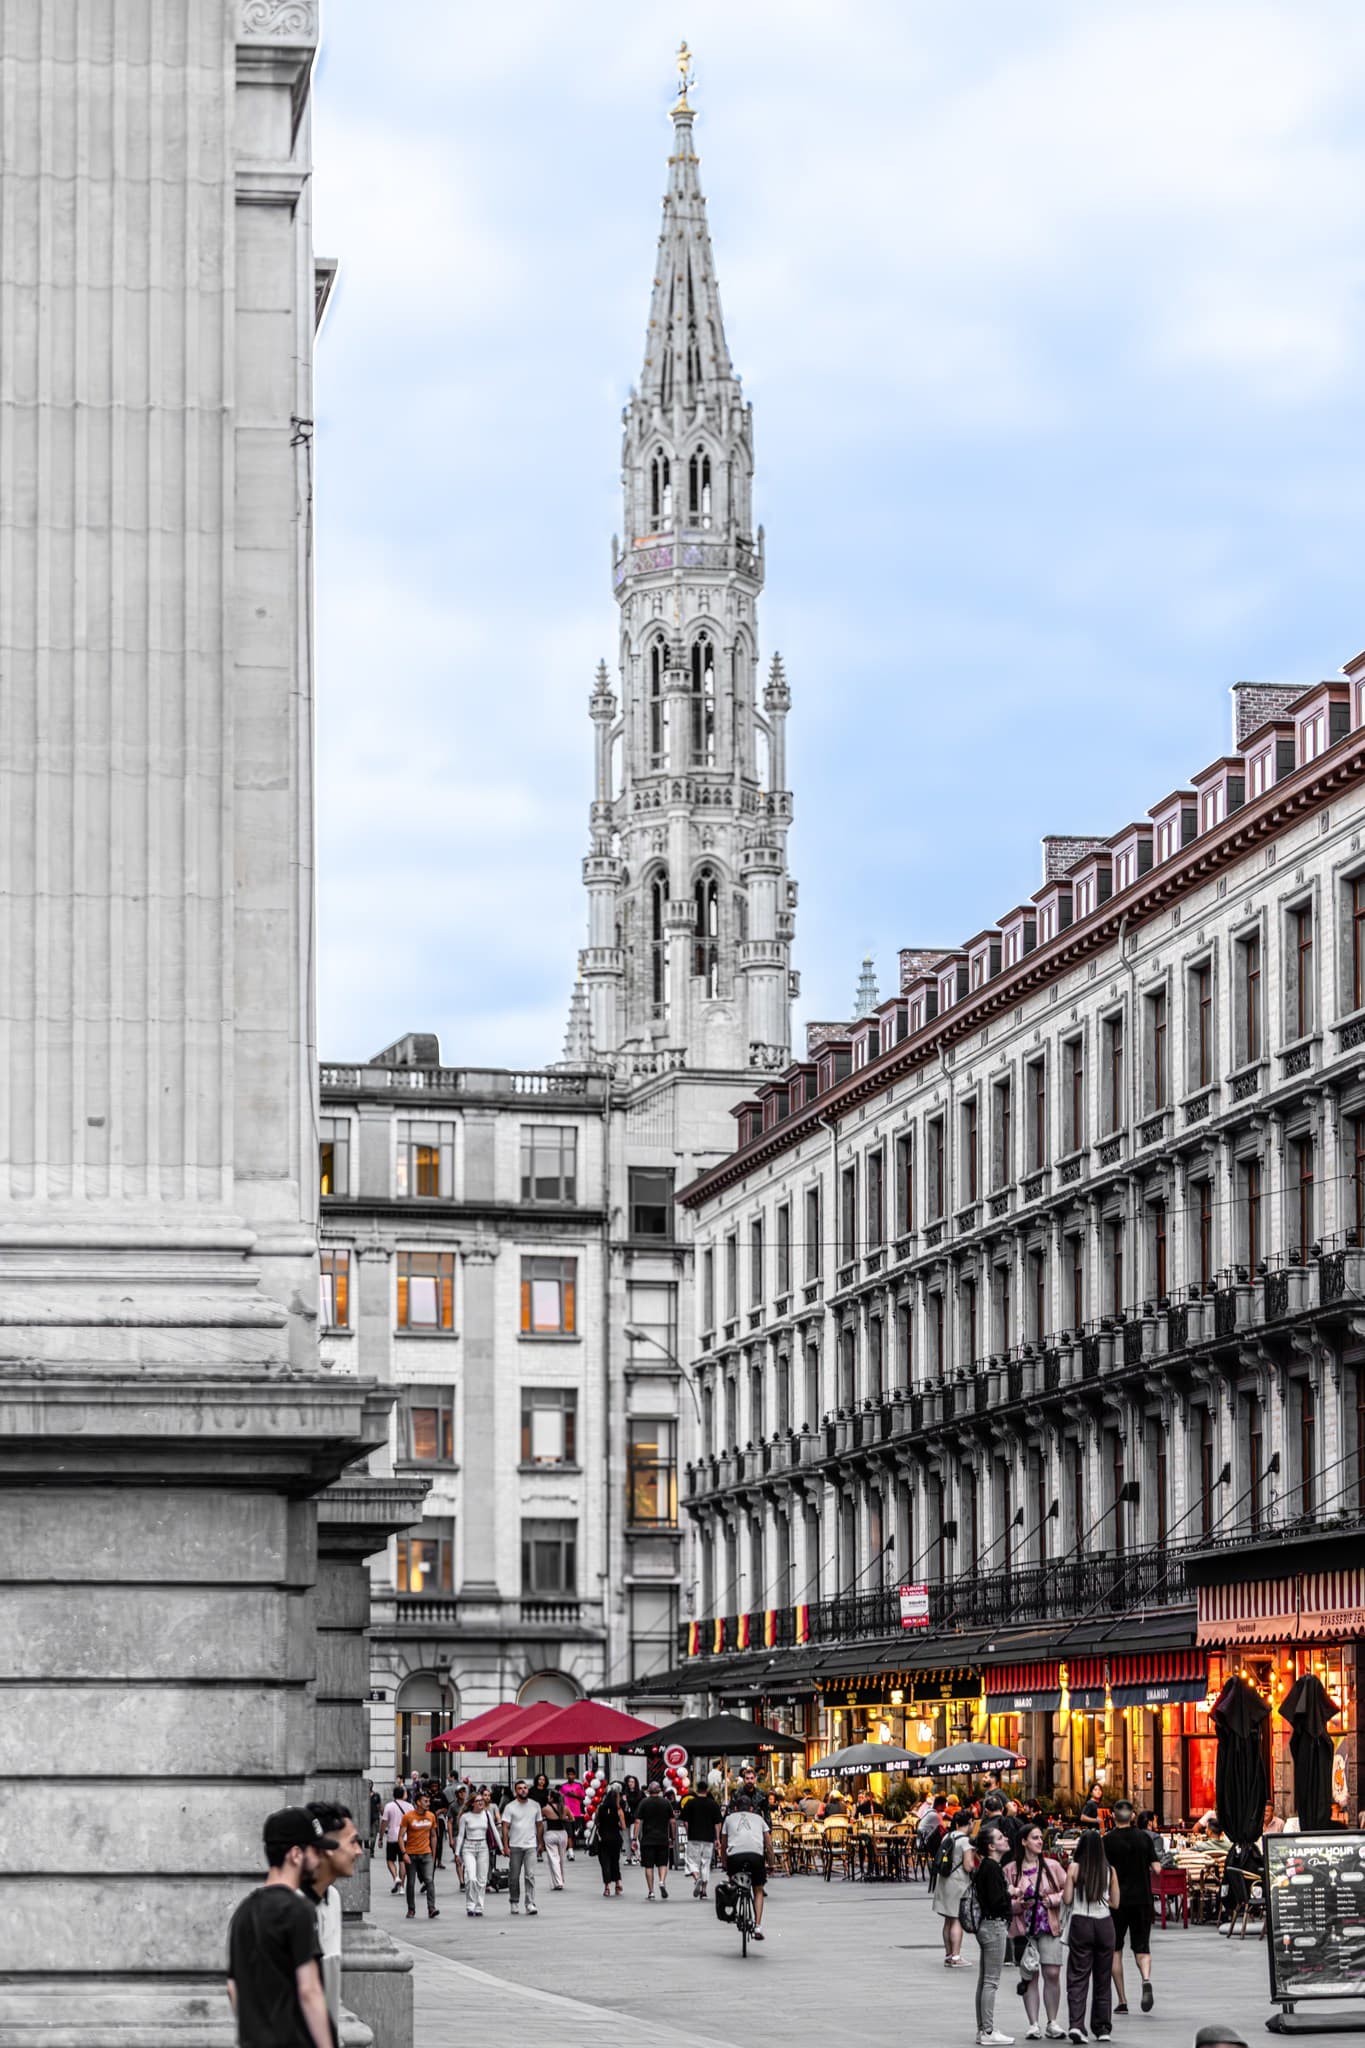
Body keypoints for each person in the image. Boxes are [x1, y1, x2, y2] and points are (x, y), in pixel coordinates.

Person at [226, 1806, 332, 2048]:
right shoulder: (299, 1910)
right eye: (315, 1850)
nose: (320, 1859)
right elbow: (309, 1990)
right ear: (296, 1854)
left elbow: (233, 1988)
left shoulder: (244, 1911)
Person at [305, 1801, 363, 2042]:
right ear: (328, 1847)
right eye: (352, 1841)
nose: (359, 1851)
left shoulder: (333, 1899)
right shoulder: (288, 1908)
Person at [1007, 1821, 1067, 2041]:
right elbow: (1004, 1903)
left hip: (1050, 1927)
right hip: (1025, 1932)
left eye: (1041, 1837)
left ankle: (1052, 2021)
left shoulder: (1052, 1867)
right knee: (1030, 1975)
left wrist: (1052, 1899)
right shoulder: (1011, 1870)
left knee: (1052, 1973)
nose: (1040, 1841)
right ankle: (1033, 2023)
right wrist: (1018, 1905)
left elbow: (1068, 1890)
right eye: (1034, 1837)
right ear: (1023, 1842)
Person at [1063, 1826, 1119, 2044]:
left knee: (1078, 1976)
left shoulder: (1074, 1868)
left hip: (1081, 1922)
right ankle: (1103, 2027)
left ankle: (1077, 2025)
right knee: (1103, 1978)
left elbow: (1067, 1899)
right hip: (1104, 1924)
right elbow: (1115, 1902)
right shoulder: (1110, 1870)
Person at [1103, 1800, 1159, 2015]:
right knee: (1142, 1947)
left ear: (1114, 1816)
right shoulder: (1144, 1838)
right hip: (1142, 1899)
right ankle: (1145, 1979)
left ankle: (1122, 2000)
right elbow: (1157, 1868)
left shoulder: (1107, 1841)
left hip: (1116, 1902)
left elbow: (1102, 1870)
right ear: (1133, 1815)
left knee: (1115, 1949)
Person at [966, 1820, 1015, 2047]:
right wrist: (1010, 1895)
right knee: (991, 1982)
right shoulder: (992, 1868)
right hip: (994, 1925)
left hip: (986, 1925)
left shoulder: (985, 1866)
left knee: (985, 1980)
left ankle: (983, 2029)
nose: (1005, 1839)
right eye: (1000, 1838)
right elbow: (996, 1900)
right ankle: (987, 2030)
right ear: (991, 1847)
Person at [719, 1791, 772, 1939]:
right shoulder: (759, 1818)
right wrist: (772, 1862)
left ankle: (735, 1910)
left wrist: (724, 1863)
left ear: (735, 1808)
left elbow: (723, 1845)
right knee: (759, 1890)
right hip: (756, 1857)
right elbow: (768, 1843)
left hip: (735, 1858)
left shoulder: (729, 1819)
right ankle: (758, 1927)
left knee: (733, 1883)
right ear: (751, 1809)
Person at [931, 1808, 975, 1966]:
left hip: (944, 1881)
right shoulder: (966, 1841)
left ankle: (949, 1955)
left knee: (948, 1920)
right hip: (958, 1882)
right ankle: (956, 1957)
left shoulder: (947, 1836)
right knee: (957, 1919)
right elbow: (969, 1866)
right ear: (969, 1823)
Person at [501, 1778, 545, 1916]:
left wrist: (540, 1842)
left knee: (530, 1875)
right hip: (515, 1845)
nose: (523, 1790)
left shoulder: (535, 1805)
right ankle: (514, 1901)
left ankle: (530, 1903)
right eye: (520, 1788)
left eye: (525, 1788)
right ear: (516, 1791)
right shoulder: (510, 1807)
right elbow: (505, 1827)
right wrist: (505, 1846)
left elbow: (539, 1825)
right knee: (514, 1876)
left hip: (530, 1845)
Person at [453, 1788, 500, 1917]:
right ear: (472, 1803)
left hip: (483, 1847)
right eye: (478, 1801)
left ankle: (479, 1906)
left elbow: (494, 1831)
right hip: (469, 1847)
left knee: (482, 1879)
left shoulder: (486, 1814)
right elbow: (461, 1836)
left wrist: (502, 1847)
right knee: (471, 1878)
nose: (481, 1802)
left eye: (482, 1800)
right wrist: (457, 1853)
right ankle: (470, 1904)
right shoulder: (465, 1817)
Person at [398, 1791, 440, 1920]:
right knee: (410, 1883)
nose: (428, 1803)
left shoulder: (431, 1816)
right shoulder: (408, 1816)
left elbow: (433, 1836)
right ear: (418, 1802)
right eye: (425, 1801)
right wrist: (404, 1853)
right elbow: (400, 1836)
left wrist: (433, 1854)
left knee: (429, 1880)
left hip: (426, 1853)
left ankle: (431, 1908)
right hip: (411, 1855)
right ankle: (411, 1909)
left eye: (429, 1801)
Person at [633, 1779, 676, 1901]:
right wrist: (672, 1837)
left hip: (647, 1839)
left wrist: (634, 1838)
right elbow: (672, 1822)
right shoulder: (666, 1803)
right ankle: (662, 1881)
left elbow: (637, 1821)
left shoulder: (643, 1803)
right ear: (660, 1790)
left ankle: (651, 1891)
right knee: (663, 1863)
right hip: (662, 1839)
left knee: (649, 1866)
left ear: (648, 1791)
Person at [681, 1780, 724, 1900]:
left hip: (694, 1836)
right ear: (707, 1790)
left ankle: (696, 1877)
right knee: (706, 1863)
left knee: (692, 1861)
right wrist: (717, 1838)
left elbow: (685, 1821)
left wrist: (688, 1832)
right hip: (708, 1838)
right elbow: (717, 1823)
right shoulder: (713, 1804)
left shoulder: (690, 1803)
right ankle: (704, 1891)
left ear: (696, 1790)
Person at [593, 1783, 626, 1896]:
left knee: (605, 1863)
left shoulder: (600, 1808)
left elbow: (596, 1822)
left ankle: (607, 1887)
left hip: (603, 1839)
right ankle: (618, 1882)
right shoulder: (619, 1810)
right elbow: (623, 1826)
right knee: (615, 1861)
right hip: (615, 1839)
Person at [380, 1783, 410, 1895]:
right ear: (403, 1794)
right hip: (405, 1837)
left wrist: (381, 1837)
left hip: (392, 1836)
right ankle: (402, 1887)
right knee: (403, 1861)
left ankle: (396, 1877)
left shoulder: (389, 1806)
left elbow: (384, 1822)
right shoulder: (410, 1806)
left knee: (390, 1860)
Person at [541, 1785, 571, 1889]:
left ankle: (558, 1882)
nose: (547, 1797)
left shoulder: (545, 1809)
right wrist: (564, 1817)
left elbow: (539, 1820)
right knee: (561, 1858)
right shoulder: (565, 1808)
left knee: (553, 1858)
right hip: (562, 1834)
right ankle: (561, 1879)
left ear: (552, 1798)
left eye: (549, 1796)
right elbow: (572, 1819)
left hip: (550, 1834)